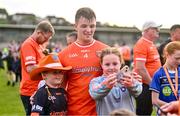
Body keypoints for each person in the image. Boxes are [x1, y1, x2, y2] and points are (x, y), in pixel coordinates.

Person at [58, 7, 108, 115]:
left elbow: (117, 79)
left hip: (101, 112)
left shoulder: (107, 52)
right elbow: (59, 86)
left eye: (92, 26)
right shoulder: (63, 55)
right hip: (74, 112)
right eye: (84, 26)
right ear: (75, 26)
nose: (89, 30)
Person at [89, 47, 142, 115]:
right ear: (101, 65)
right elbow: (94, 94)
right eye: (107, 64)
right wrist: (106, 85)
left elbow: (138, 91)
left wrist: (132, 85)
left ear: (120, 63)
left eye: (115, 64)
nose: (111, 68)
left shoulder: (128, 78)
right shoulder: (96, 81)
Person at [20, 20, 55, 115]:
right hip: (30, 91)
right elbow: (30, 68)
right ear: (39, 32)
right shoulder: (28, 44)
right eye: (46, 38)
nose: (47, 41)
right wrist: (50, 68)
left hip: (39, 90)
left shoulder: (39, 46)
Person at [133, 21, 162, 115]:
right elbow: (140, 68)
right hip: (145, 85)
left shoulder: (150, 43)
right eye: (155, 28)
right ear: (147, 30)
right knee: (144, 111)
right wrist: (152, 84)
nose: (158, 30)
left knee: (148, 110)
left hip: (149, 84)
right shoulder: (142, 44)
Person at [150, 42, 180, 109]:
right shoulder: (158, 74)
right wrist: (173, 107)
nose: (179, 61)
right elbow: (155, 101)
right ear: (167, 55)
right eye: (177, 58)